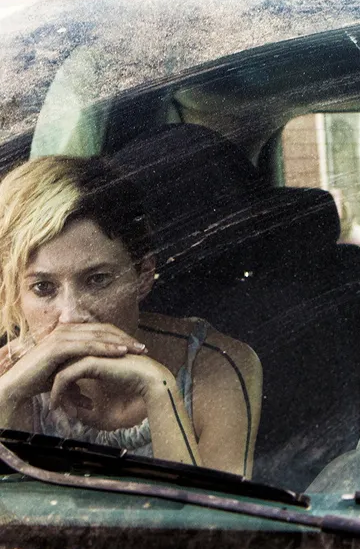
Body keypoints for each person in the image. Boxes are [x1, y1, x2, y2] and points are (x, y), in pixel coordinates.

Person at [0, 156, 262, 476]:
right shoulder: (8, 374)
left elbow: (205, 525)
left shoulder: (214, 368)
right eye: (43, 287)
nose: (71, 317)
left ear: (143, 274)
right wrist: (8, 395)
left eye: (98, 280)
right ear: (15, 293)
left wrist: (159, 389)